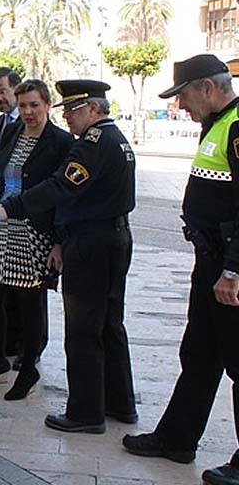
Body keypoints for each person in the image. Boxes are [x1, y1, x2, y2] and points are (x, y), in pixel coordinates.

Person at [0, 79, 137, 434]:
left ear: (93, 109)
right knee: (109, 325)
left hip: (91, 242)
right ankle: (119, 403)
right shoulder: (113, 139)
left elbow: (61, 186)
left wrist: (8, 208)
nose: (69, 118)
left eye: (72, 110)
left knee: (83, 330)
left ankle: (86, 413)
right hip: (111, 237)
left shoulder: (92, 144)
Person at [123, 55, 239, 485]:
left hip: (228, 268)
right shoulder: (217, 123)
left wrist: (233, 271)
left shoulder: (237, 126)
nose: (182, 106)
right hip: (209, 261)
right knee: (199, 354)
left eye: (184, 95)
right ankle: (176, 439)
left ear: (207, 88)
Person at [0, 79, 73, 400]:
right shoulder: (10, 133)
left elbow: (63, 195)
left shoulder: (60, 141)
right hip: (3, 223)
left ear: (47, 105)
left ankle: (28, 365)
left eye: (34, 105)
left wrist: (59, 240)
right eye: (23, 105)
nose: (28, 111)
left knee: (29, 301)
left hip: (35, 229)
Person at [0, 67, 35, 367]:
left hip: (24, 216)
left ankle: (30, 349)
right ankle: (6, 346)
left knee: (27, 291)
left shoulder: (32, 125)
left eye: (3, 91)